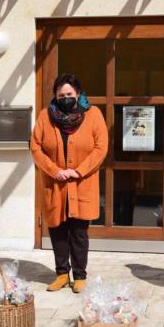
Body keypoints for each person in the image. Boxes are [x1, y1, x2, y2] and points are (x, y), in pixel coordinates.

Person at [30, 73, 108, 293]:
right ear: (55, 95)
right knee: (58, 231)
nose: (65, 97)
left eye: (69, 94)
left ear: (78, 94)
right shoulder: (46, 116)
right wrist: (56, 171)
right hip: (56, 185)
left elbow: (100, 148)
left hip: (82, 184)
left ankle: (80, 276)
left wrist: (78, 171)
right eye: (61, 94)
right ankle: (62, 274)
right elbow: (36, 147)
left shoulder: (94, 115)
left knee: (79, 233)